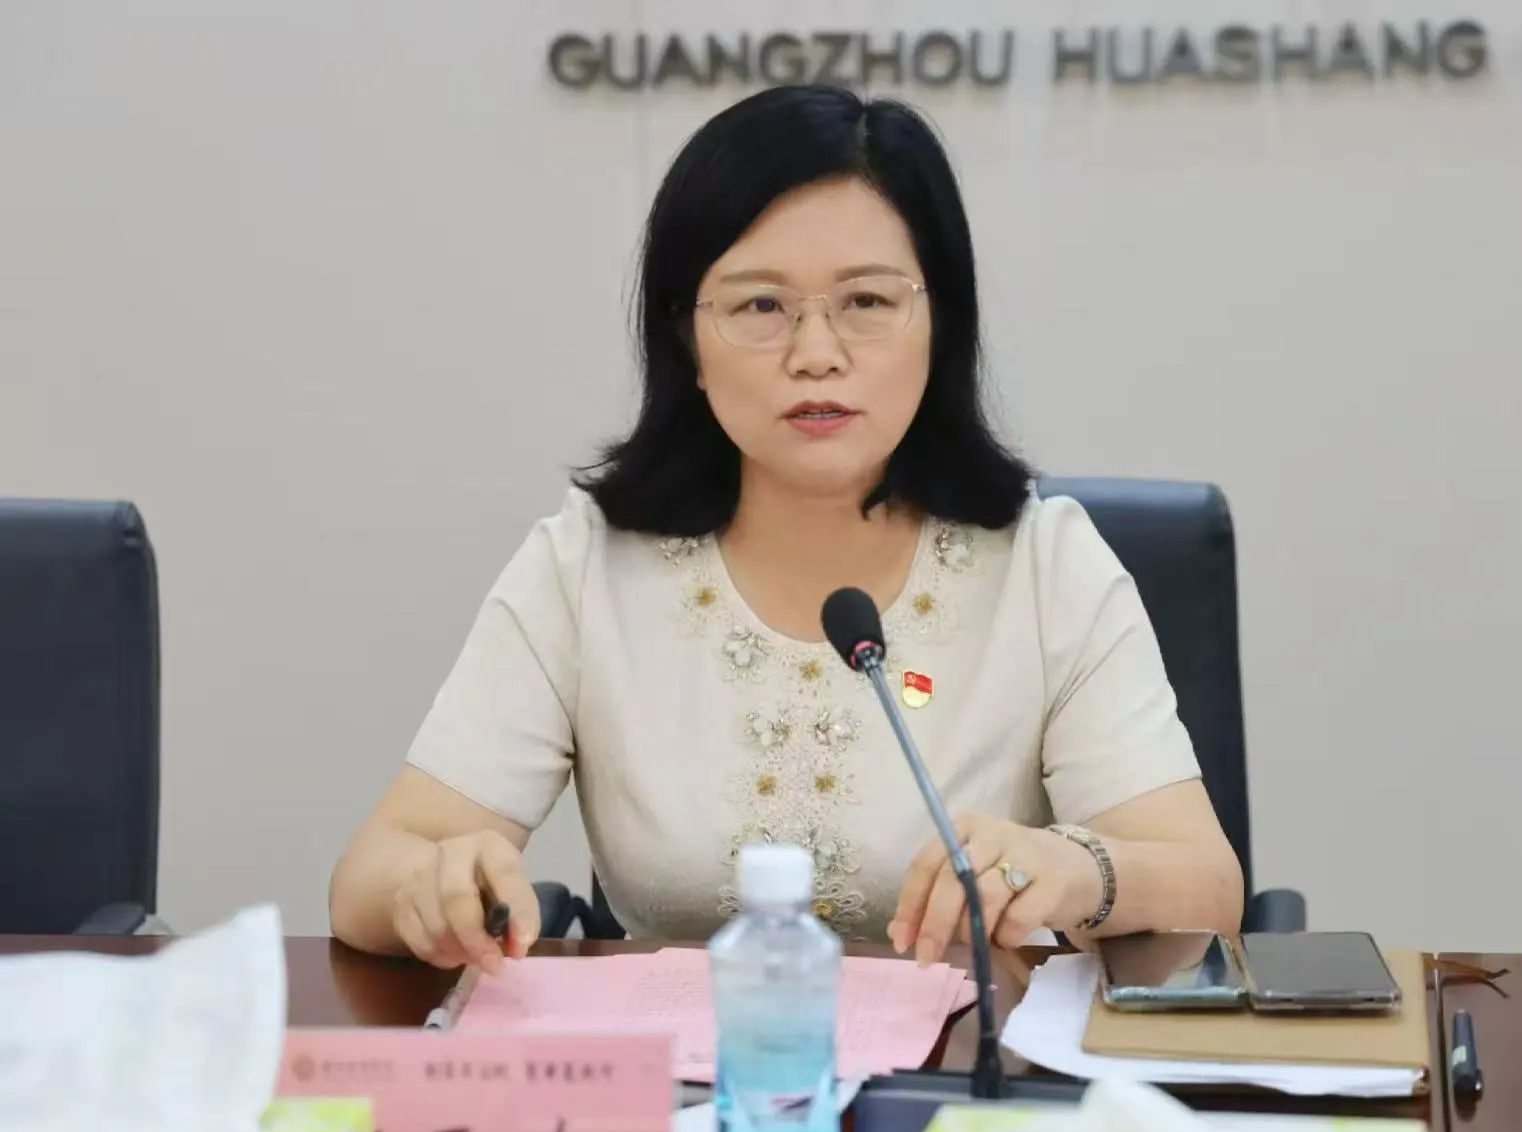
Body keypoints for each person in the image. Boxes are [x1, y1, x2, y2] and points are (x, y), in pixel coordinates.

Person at [329, 85, 1243, 976]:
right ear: (687, 342)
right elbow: (372, 874)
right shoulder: (586, 567)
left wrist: (1079, 870)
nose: (816, 354)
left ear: (939, 324)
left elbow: (1204, 884)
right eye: (761, 306)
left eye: (867, 303)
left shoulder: (1043, 567)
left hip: (964, 1063)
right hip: (683, 1067)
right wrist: (433, 885)